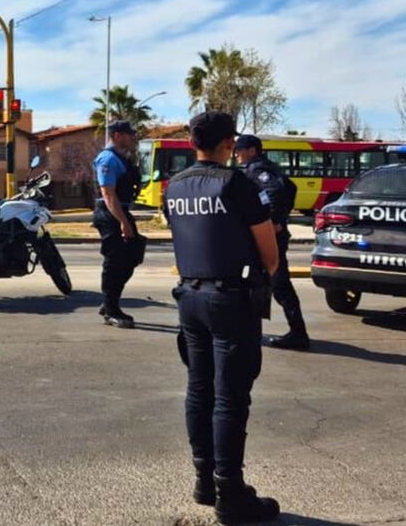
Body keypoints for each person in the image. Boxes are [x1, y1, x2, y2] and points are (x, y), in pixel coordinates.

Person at [165, 111, 280, 524]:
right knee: (230, 397)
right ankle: (230, 492)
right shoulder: (236, 184)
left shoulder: (174, 186)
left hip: (190, 298)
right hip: (230, 300)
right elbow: (268, 252)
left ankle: (204, 481)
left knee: (199, 389)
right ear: (229, 143)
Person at [234, 134, 309, 351]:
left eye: (240, 149)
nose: (236, 153)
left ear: (252, 150)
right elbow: (291, 187)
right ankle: (293, 331)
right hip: (271, 234)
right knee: (272, 284)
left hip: (268, 236)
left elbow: (276, 191)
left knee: (275, 284)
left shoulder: (257, 169)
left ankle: (297, 333)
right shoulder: (264, 167)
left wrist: (274, 221)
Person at [91, 120, 146, 329]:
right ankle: (111, 310)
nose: (132, 137)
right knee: (114, 261)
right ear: (116, 135)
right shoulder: (107, 159)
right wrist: (123, 222)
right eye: (128, 134)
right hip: (110, 214)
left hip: (121, 211)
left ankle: (109, 301)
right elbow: (108, 194)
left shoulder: (122, 158)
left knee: (132, 255)